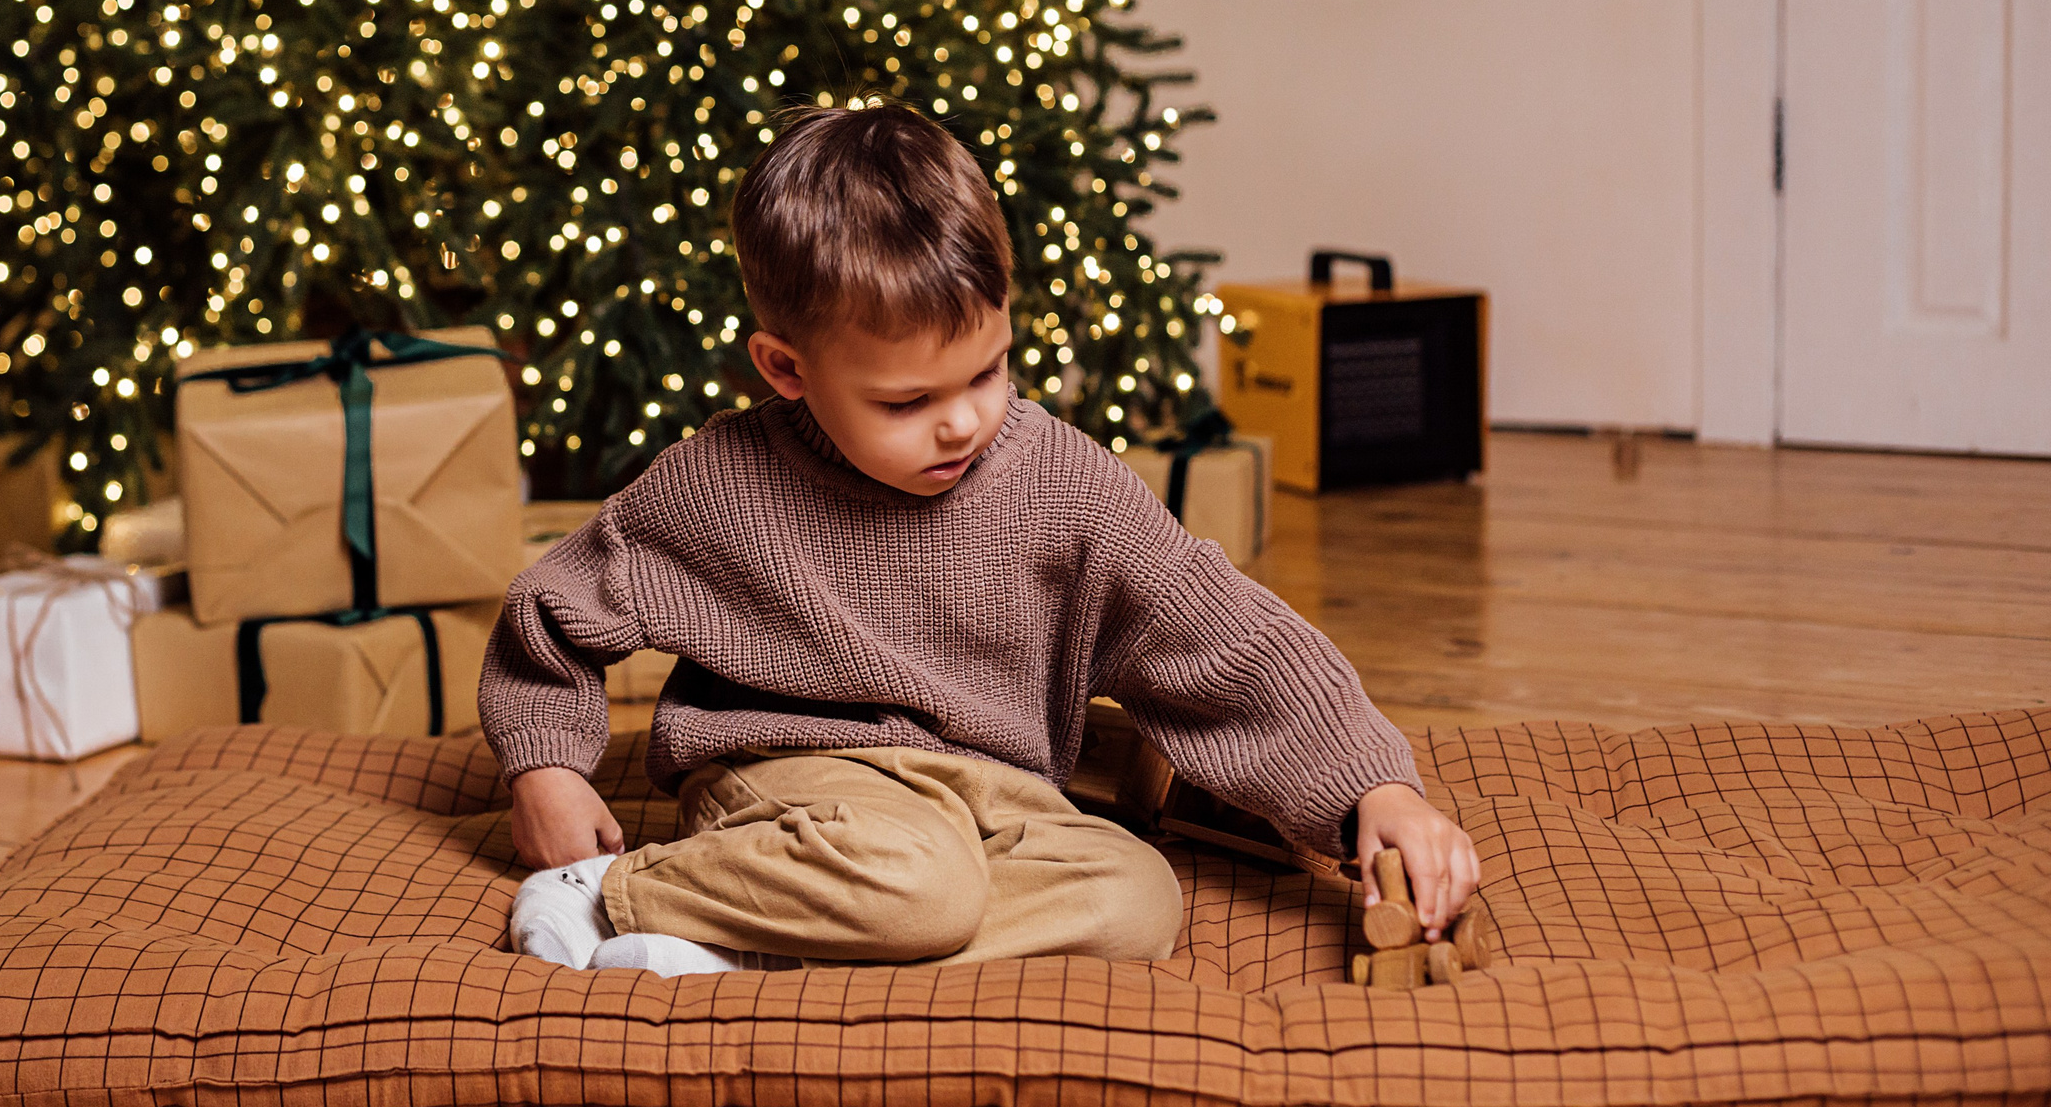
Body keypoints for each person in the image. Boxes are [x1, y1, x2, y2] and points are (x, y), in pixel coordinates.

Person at [482, 102, 1480, 976]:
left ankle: (745, 948)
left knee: (1135, 897)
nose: (963, 421)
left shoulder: (1061, 479)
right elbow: (553, 611)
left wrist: (1370, 785)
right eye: (909, 400)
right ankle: (612, 895)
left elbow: (1216, 631)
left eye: (988, 370)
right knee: (915, 882)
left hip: (994, 799)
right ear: (787, 370)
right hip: (802, 783)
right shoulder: (717, 484)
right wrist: (546, 766)